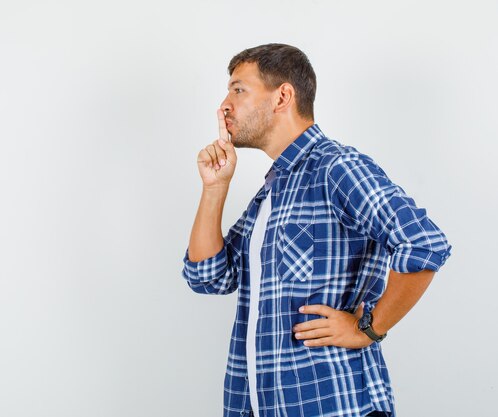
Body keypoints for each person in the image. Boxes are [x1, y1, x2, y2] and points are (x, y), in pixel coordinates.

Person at [180, 43, 452, 417]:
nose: (224, 105)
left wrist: (367, 328)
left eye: (238, 89)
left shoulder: (336, 167)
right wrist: (215, 188)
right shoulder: (270, 195)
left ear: (283, 96)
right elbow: (208, 276)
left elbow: (423, 243)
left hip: (332, 404)